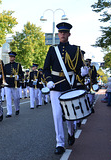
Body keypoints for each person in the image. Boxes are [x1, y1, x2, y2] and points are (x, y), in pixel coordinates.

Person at [43, 22, 87, 155]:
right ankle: (60, 143)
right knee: (57, 115)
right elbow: (45, 69)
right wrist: (49, 80)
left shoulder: (76, 50)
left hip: (70, 85)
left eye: (65, 32)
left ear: (69, 34)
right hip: (55, 85)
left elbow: (79, 69)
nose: (62, 34)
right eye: (60, 32)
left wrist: (83, 73)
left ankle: (71, 132)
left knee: (70, 114)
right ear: (58, 34)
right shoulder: (52, 50)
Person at [4, 51, 23, 117]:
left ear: (14, 58)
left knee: (16, 98)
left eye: (12, 57)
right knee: (8, 98)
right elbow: (4, 74)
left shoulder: (18, 65)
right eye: (10, 57)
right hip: (8, 83)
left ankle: (17, 108)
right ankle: (9, 112)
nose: (11, 58)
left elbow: (21, 74)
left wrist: (19, 77)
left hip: (15, 83)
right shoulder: (6, 66)